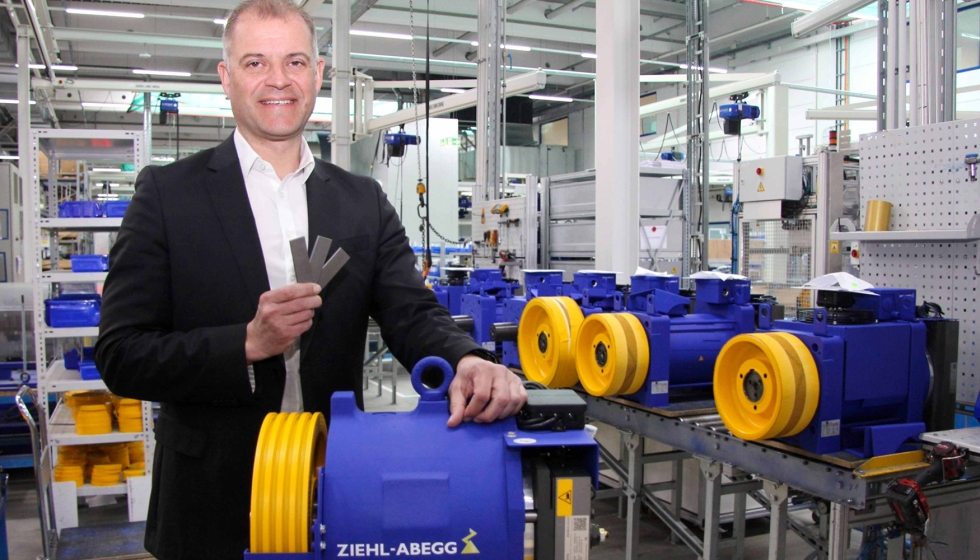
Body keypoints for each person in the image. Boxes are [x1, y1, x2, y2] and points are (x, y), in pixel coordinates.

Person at [93, 1, 526, 558]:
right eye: (255, 63)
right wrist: (246, 344)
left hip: (337, 487)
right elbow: (121, 353)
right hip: (213, 499)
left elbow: (411, 313)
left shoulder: (360, 201)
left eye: (295, 62)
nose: (278, 80)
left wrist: (467, 358)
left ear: (319, 74)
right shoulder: (168, 195)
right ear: (226, 78)